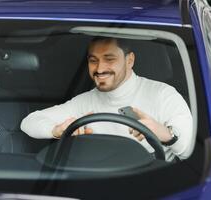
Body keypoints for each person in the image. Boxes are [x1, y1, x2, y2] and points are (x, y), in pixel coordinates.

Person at [20, 37, 193, 162]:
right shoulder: (83, 102)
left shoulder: (162, 95)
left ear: (129, 60)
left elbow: (188, 150)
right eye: (93, 61)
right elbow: (29, 122)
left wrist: (165, 134)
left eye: (109, 59)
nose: (100, 68)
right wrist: (56, 130)